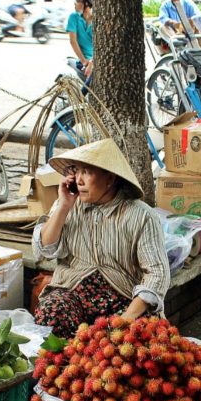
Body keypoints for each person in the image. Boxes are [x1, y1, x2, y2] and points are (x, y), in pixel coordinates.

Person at [33, 139, 170, 338]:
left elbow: (157, 274)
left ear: (110, 178)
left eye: (87, 172)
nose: (79, 180)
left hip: (123, 298)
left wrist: (126, 319)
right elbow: (44, 249)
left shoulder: (141, 216)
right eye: (76, 171)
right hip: (73, 292)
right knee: (51, 315)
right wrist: (63, 206)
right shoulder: (69, 205)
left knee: (138, 343)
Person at [66, 0, 94, 79]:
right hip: (82, 60)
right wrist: (84, 61)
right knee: (91, 78)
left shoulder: (97, 20)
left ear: (86, 3)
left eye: (78, 1)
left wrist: (92, 62)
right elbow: (73, 41)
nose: (75, 4)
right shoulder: (73, 17)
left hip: (96, 59)